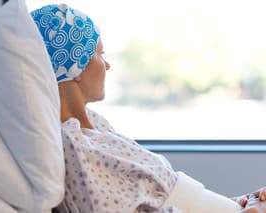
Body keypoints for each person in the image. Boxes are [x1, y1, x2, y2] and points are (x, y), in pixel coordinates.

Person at [31, 4, 266, 213]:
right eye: (100, 54)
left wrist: (244, 201)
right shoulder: (73, 145)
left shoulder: (95, 125)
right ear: (77, 64)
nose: (108, 65)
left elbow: (164, 199)